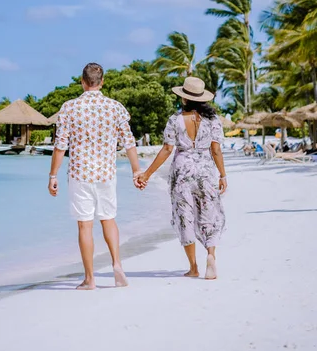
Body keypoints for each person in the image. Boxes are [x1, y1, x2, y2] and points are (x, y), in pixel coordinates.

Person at [48, 62, 141, 290]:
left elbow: (60, 146)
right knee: (108, 218)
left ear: (82, 82)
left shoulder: (69, 108)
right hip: (106, 174)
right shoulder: (115, 107)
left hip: (80, 174)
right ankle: (117, 264)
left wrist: (53, 175)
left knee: (85, 226)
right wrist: (136, 170)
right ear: (102, 82)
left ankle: (90, 279)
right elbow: (128, 142)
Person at [136, 76, 227, 280]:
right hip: (205, 171)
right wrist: (222, 175)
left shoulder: (174, 120)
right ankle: (211, 256)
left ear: (184, 98)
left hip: (182, 171)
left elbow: (167, 149)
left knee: (184, 216)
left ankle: (193, 267)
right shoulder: (213, 120)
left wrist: (147, 174)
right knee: (209, 213)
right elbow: (216, 149)